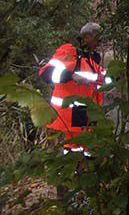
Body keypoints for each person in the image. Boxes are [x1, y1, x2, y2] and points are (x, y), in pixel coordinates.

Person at [38, 22, 110, 154]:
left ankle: (84, 170)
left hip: (88, 110)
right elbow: (46, 73)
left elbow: (101, 78)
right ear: (88, 36)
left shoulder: (92, 57)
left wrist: (117, 78)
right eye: (98, 40)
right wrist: (72, 76)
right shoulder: (69, 51)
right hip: (72, 111)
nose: (100, 44)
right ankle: (73, 172)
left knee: (88, 149)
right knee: (74, 150)